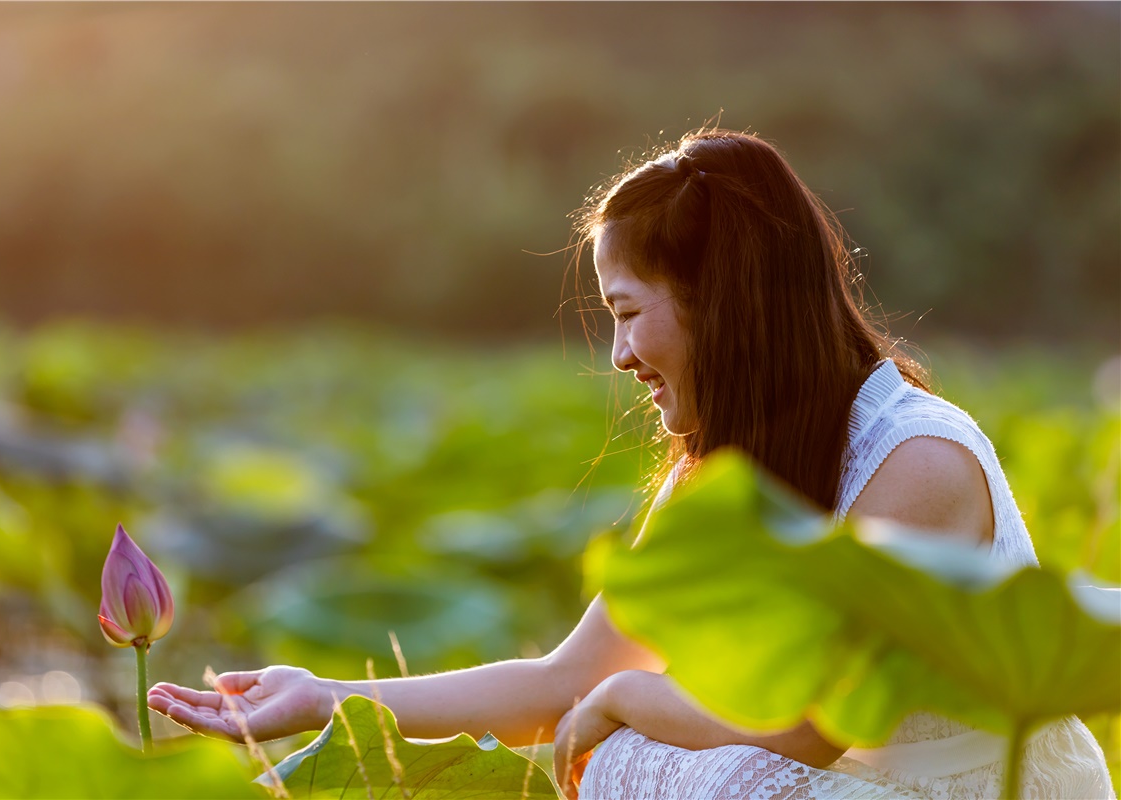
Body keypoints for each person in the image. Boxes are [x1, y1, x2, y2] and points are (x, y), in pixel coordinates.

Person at [148, 129, 1114, 799]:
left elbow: (814, 726)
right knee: (634, 764)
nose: (617, 357)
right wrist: (329, 700)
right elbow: (564, 678)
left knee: (680, 768)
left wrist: (629, 698)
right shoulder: (727, 470)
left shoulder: (919, 458)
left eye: (626, 313)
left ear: (722, 303)